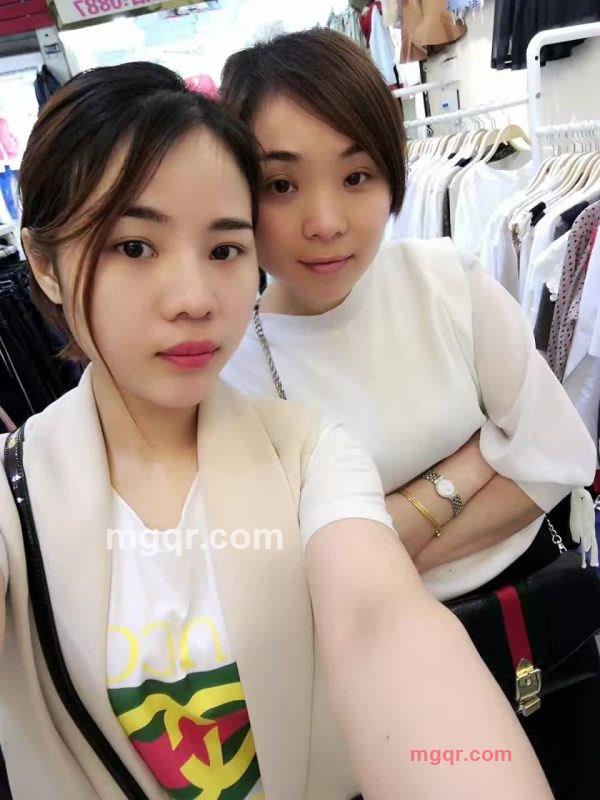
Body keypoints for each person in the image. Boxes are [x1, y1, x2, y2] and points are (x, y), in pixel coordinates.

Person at [0, 62, 553, 800]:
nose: (195, 299)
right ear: (44, 265)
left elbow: (379, 621)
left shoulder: (310, 450)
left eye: (224, 250)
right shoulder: (15, 498)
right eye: (134, 247)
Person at [218, 29, 598, 800]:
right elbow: (284, 583)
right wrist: (477, 459)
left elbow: (560, 460)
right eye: (281, 185)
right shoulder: (230, 366)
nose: (326, 220)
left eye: (356, 175)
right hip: (374, 684)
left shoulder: (445, 279)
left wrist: (374, 538)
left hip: (536, 624)